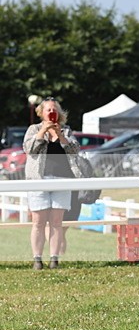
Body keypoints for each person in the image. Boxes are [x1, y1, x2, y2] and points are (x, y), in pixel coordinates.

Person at [22, 97, 84, 269]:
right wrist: (43, 132)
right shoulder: (33, 129)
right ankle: (37, 259)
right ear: (41, 113)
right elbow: (29, 149)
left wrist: (60, 135)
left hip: (62, 180)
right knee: (38, 222)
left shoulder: (66, 130)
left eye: (54, 109)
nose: (51, 112)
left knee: (57, 222)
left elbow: (75, 150)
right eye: (48, 109)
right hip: (38, 180)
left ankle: (54, 259)